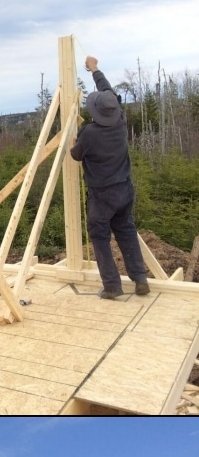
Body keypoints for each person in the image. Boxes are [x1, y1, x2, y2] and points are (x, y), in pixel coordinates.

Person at [70, 57, 150, 301]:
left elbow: (75, 155)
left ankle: (113, 286)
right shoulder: (121, 122)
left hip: (102, 195)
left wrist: (74, 140)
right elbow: (108, 92)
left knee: (100, 237)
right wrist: (94, 69)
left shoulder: (90, 134)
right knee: (125, 231)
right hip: (125, 189)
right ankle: (140, 279)